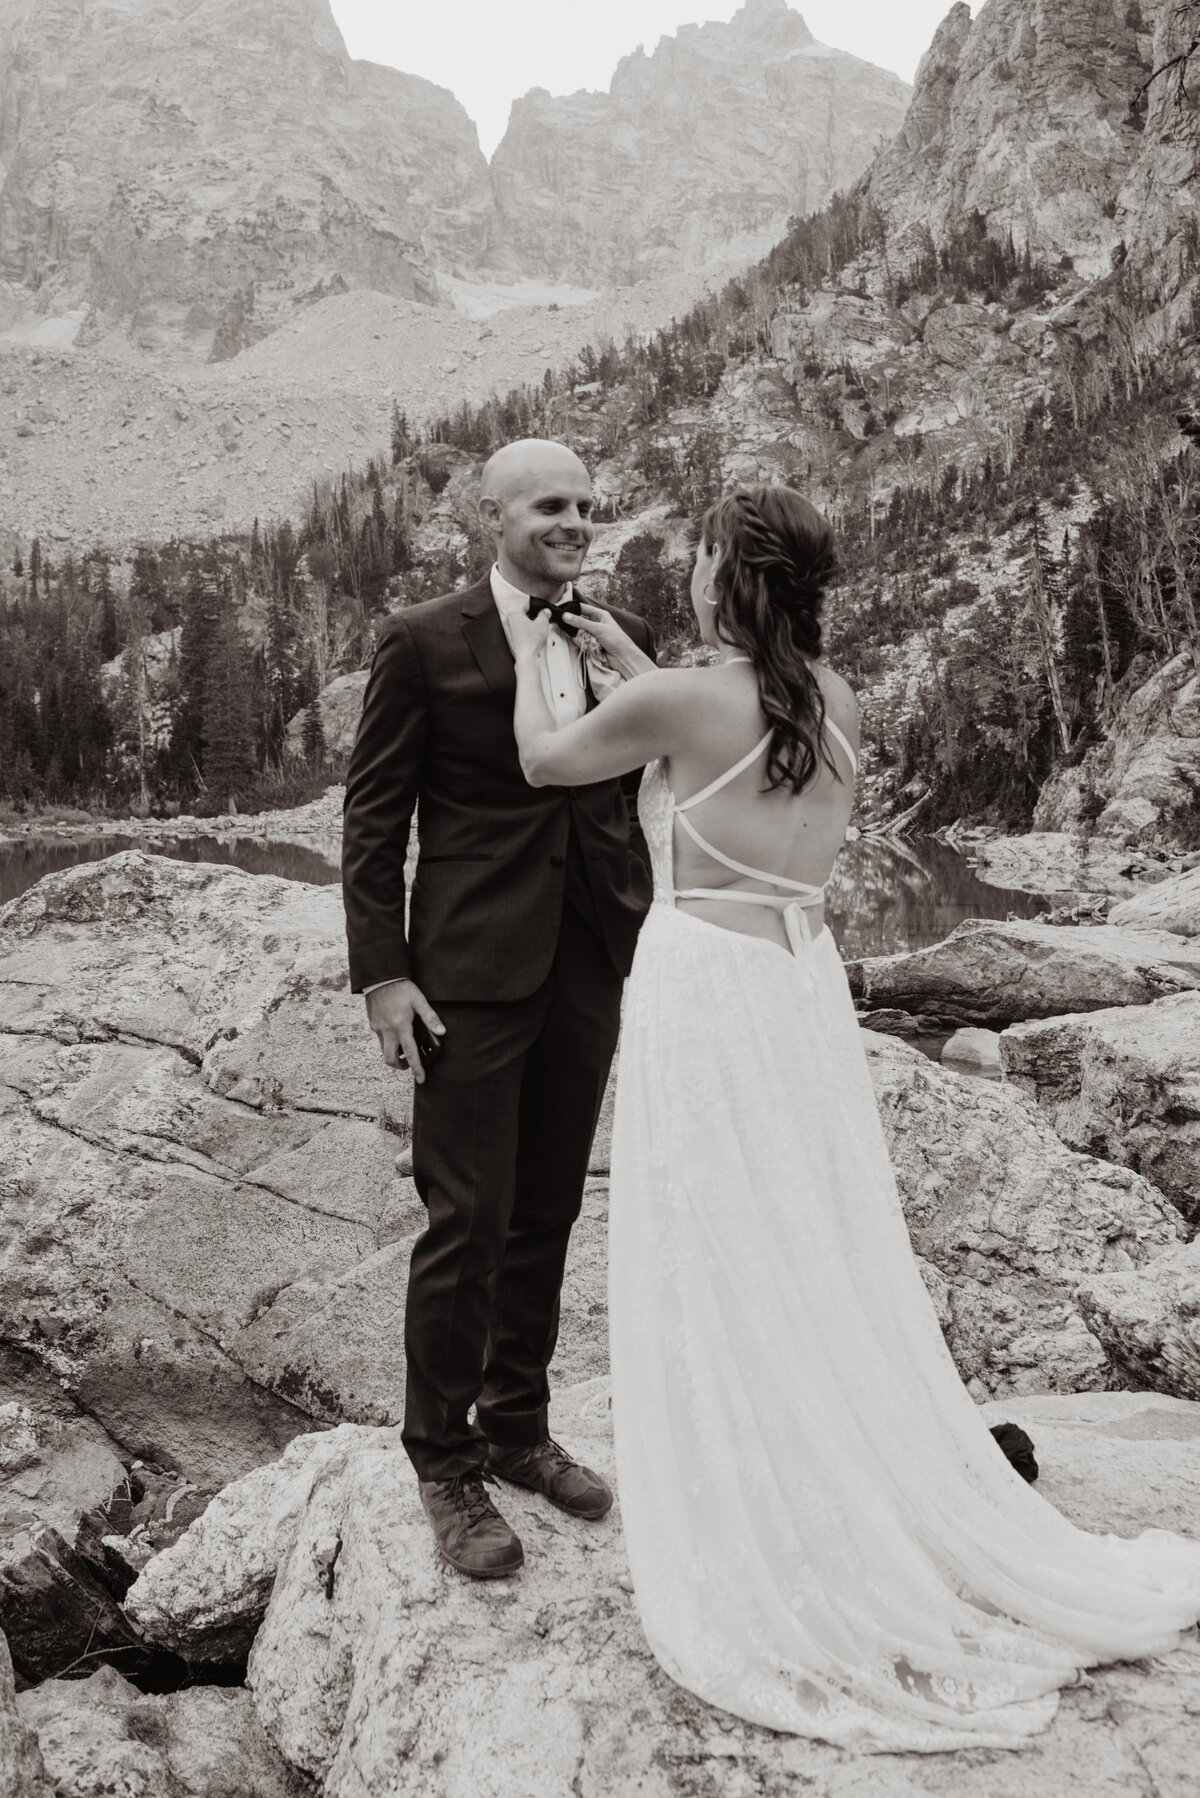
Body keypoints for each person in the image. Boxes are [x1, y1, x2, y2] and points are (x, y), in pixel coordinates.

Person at [506, 482, 1200, 1751]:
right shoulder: (834, 698)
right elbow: (719, 721)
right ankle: (834, 1454)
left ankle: (757, 1503)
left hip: (707, 985)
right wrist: (638, 664)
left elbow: (549, 760)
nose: (694, 567)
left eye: (705, 553)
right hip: (798, 981)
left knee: (719, 1230)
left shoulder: (685, 700)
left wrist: (529, 646)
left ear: (730, 572)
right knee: (806, 1228)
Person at [342, 439, 655, 1580]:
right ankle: (444, 1464)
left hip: (591, 960)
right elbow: (374, 819)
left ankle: (519, 1430)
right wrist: (384, 972)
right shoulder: (423, 639)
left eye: (585, 502)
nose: (575, 520)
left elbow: (636, 782)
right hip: (468, 970)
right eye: (549, 505)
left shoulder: (612, 637)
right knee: (463, 1217)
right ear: (492, 516)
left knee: (550, 1209)